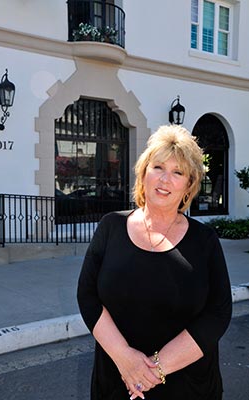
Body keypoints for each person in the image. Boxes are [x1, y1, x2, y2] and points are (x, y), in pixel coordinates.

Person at [77, 124, 232, 400]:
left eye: (177, 172)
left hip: (188, 387)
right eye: (158, 167)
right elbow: (87, 296)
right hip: (116, 380)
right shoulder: (110, 227)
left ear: (188, 185)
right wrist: (125, 359)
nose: (164, 180)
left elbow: (218, 313)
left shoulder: (205, 240)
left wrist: (152, 371)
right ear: (144, 172)